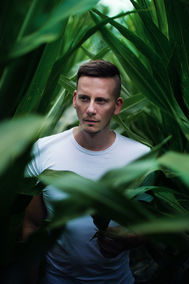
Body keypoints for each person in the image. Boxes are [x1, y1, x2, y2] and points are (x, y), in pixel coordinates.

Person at [23, 60, 150, 284]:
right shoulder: (44, 150)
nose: (91, 109)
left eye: (101, 100)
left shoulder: (140, 157)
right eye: (84, 98)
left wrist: (131, 240)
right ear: (74, 99)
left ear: (117, 105)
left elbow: (152, 224)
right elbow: (31, 222)